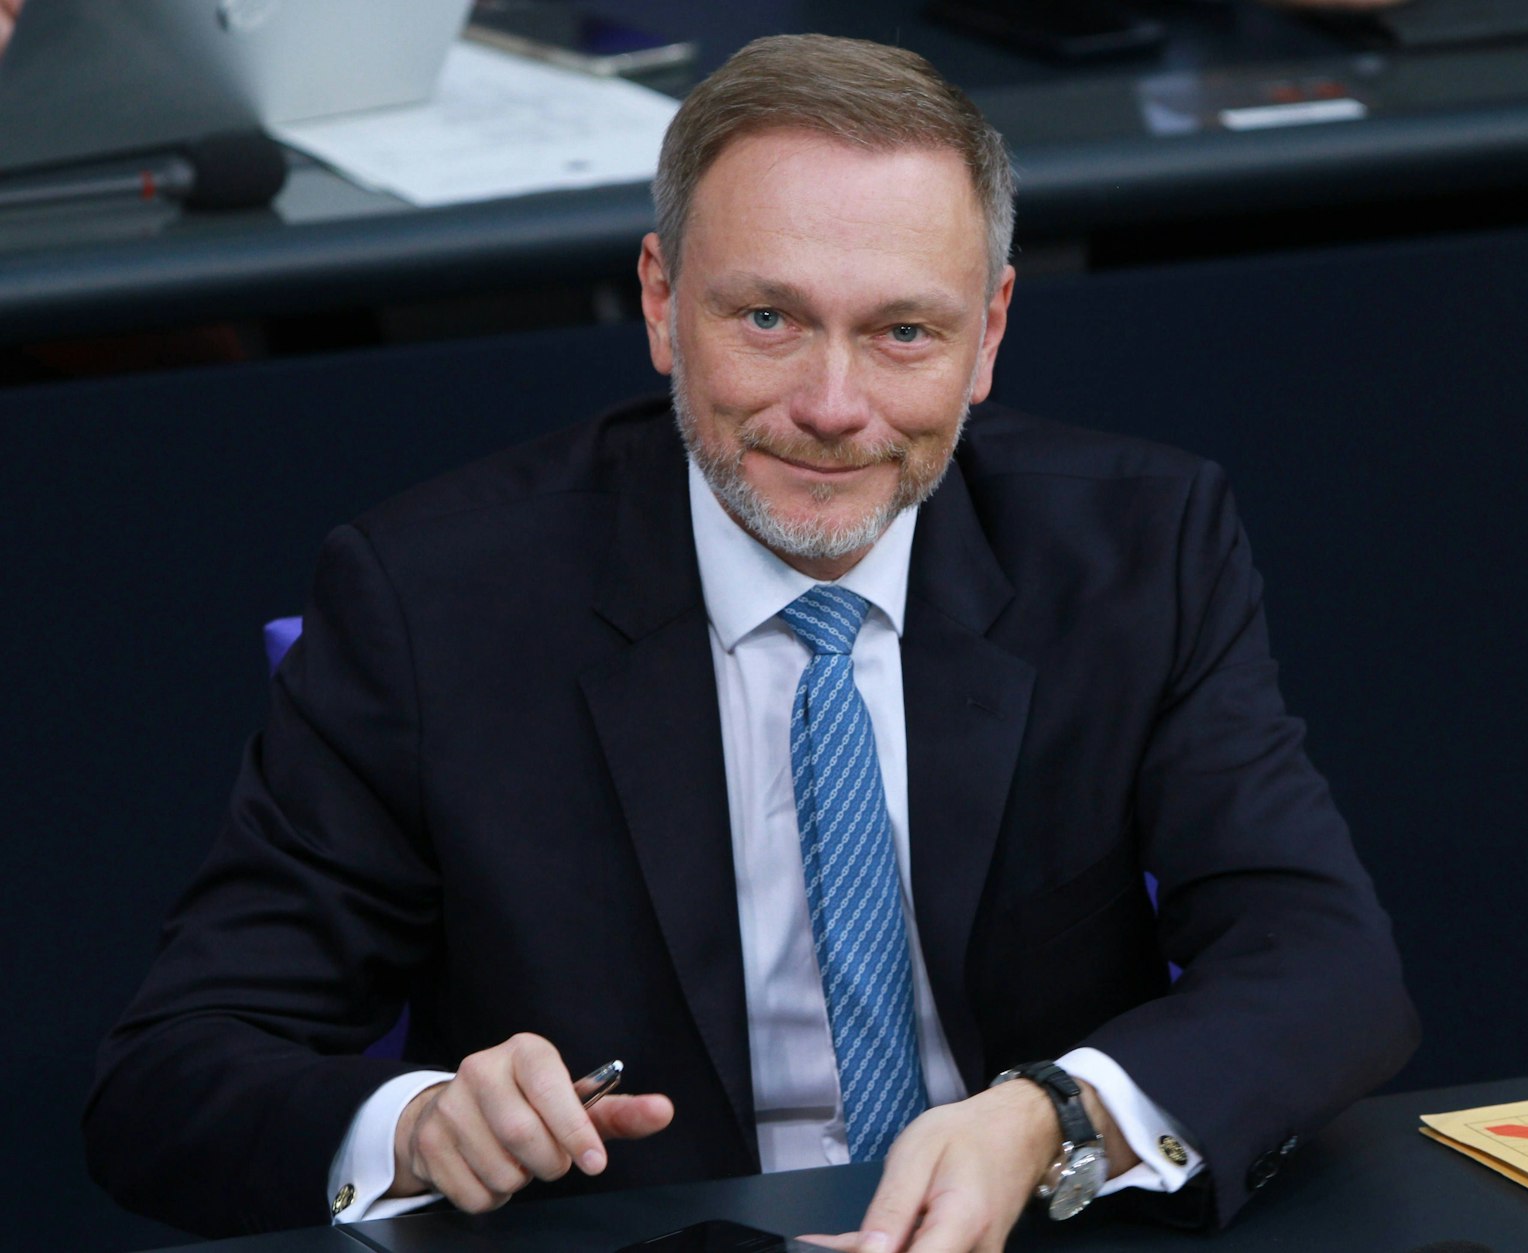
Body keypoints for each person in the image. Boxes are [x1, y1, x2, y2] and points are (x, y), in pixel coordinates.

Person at [85, 33, 1416, 1249]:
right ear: (662, 303)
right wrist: (422, 1124)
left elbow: (1322, 961)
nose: (833, 407)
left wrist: (1050, 1118)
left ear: (990, 334)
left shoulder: (1139, 551)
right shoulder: (433, 597)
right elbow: (172, 1075)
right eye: (768, 318)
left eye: (904, 332)